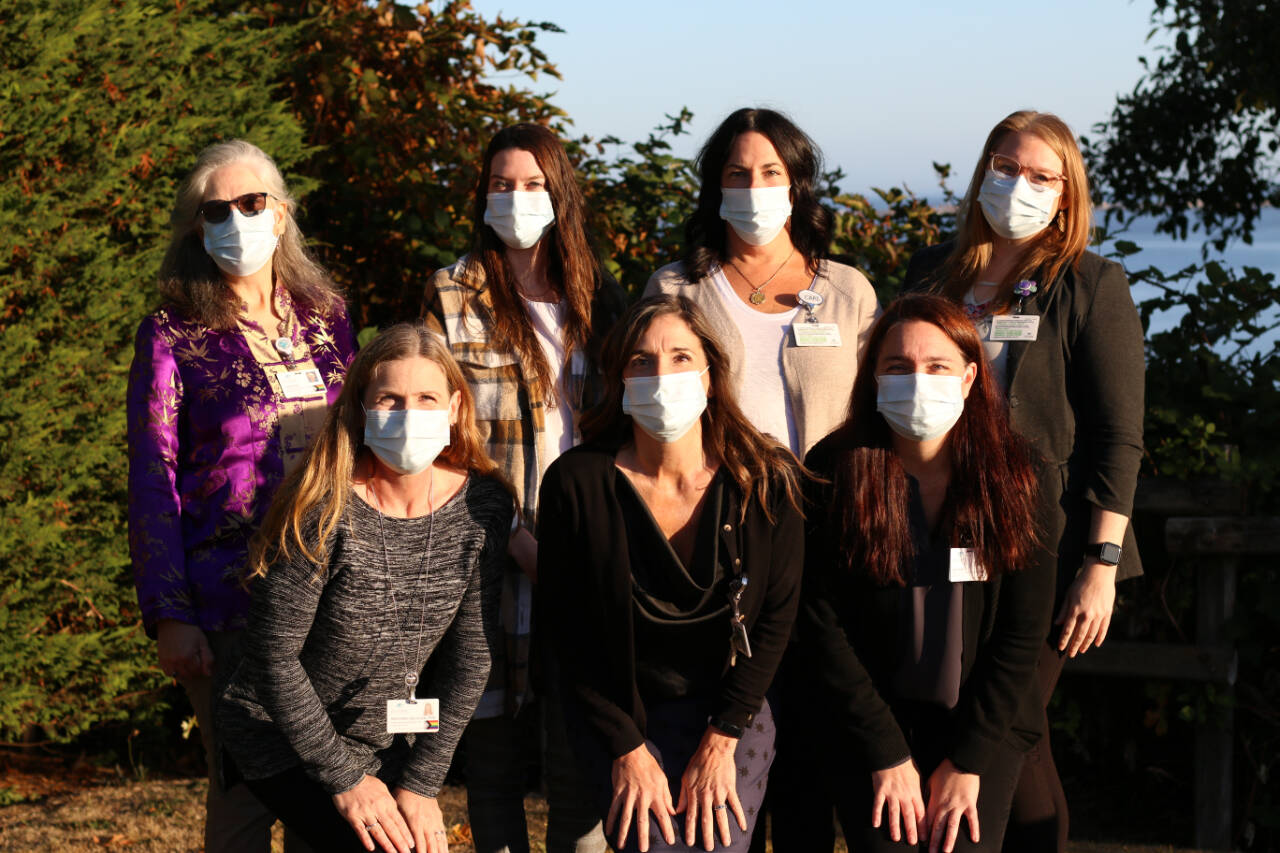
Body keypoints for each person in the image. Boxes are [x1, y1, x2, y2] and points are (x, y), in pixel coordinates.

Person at [902, 110, 1145, 851]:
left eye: (1043, 176)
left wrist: (1100, 566)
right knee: (984, 718)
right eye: (1006, 168)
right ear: (983, 174)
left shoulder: (1091, 286)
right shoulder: (932, 274)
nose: (1020, 186)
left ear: (1067, 195)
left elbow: (1118, 436)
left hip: (1053, 549)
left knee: (1009, 721)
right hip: (950, 540)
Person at [127, 139, 356, 852]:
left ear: (282, 213)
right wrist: (169, 614)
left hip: (332, 593)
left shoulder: (329, 316)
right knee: (245, 797)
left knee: (334, 789)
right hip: (230, 603)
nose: (236, 220)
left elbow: (363, 445)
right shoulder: (172, 333)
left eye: (252, 203)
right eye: (215, 209)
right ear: (196, 227)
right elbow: (151, 475)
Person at [215, 324, 512, 853]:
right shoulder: (323, 506)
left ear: (454, 408)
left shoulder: (482, 507)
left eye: (426, 398)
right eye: (390, 399)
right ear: (362, 409)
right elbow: (273, 658)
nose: (408, 415)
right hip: (278, 731)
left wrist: (422, 782)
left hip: (386, 739)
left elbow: (471, 659)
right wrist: (346, 780)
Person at [421, 122, 626, 853]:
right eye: (502, 186)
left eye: (533, 184)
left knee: (581, 753)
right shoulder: (453, 292)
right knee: (496, 756)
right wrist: (509, 533)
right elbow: (433, 432)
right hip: (491, 555)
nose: (516, 199)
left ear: (560, 194)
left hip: (585, 553)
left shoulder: (600, 297)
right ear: (482, 198)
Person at [538, 294, 805, 853]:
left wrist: (723, 738)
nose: (662, 374)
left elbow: (776, 619)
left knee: (716, 843)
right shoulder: (576, 483)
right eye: (641, 361)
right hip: (622, 715)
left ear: (711, 376)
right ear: (619, 379)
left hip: (734, 708)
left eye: (681, 357)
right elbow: (567, 634)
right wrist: (627, 751)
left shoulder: (765, 479)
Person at [794, 294, 1052, 852]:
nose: (918, 381)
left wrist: (968, 760)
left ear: (969, 378)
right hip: (871, 723)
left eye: (937, 367)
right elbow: (821, 625)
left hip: (981, 729)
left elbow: (1021, 634)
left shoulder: (1021, 477)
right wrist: (886, 753)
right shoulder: (833, 471)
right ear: (873, 379)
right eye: (898, 367)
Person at [645, 107, 879, 458]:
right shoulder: (674, 288)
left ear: (795, 184)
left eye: (771, 172)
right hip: (715, 504)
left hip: (829, 504)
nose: (754, 188)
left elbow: (876, 408)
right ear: (718, 186)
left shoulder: (849, 291)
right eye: (738, 174)